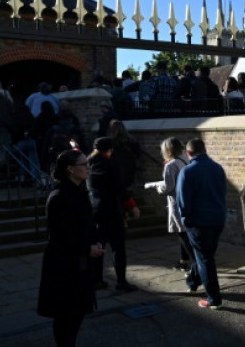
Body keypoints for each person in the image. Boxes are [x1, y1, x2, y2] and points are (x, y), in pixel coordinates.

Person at [38, 149, 105, 347]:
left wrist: (96, 240)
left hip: (80, 263)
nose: (88, 168)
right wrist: (86, 248)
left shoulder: (81, 191)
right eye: (84, 164)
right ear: (70, 169)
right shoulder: (59, 196)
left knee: (77, 312)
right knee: (65, 314)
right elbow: (61, 235)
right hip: (64, 265)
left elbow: (87, 224)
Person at [177, 138, 227, 309]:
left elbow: (183, 201)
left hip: (199, 222)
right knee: (205, 256)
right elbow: (223, 193)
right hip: (217, 219)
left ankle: (214, 299)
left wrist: (185, 220)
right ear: (204, 150)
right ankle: (192, 282)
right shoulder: (218, 168)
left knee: (205, 259)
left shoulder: (187, 171)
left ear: (189, 153)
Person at [87, 137, 140, 292]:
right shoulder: (111, 165)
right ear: (109, 149)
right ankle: (121, 282)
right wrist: (132, 206)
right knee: (118, 247)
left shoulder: (88, 163)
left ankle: (97, 280)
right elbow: (120, 188)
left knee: (99, 245)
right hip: (112, 210)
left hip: (95, 209)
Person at [146, 137, 194, 270]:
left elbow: (168, 187)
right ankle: (184, 261)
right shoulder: (186, 159)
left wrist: (157, 187)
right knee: (185, 231)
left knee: (183, 234)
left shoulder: (171, 165)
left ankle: (195, 263)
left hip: (177, 201)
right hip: (188, 199)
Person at [108, 119, 142, 189]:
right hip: (129, 166)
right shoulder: (131, 139)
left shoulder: (110, 141)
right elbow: (137, 154)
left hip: (116, 168)